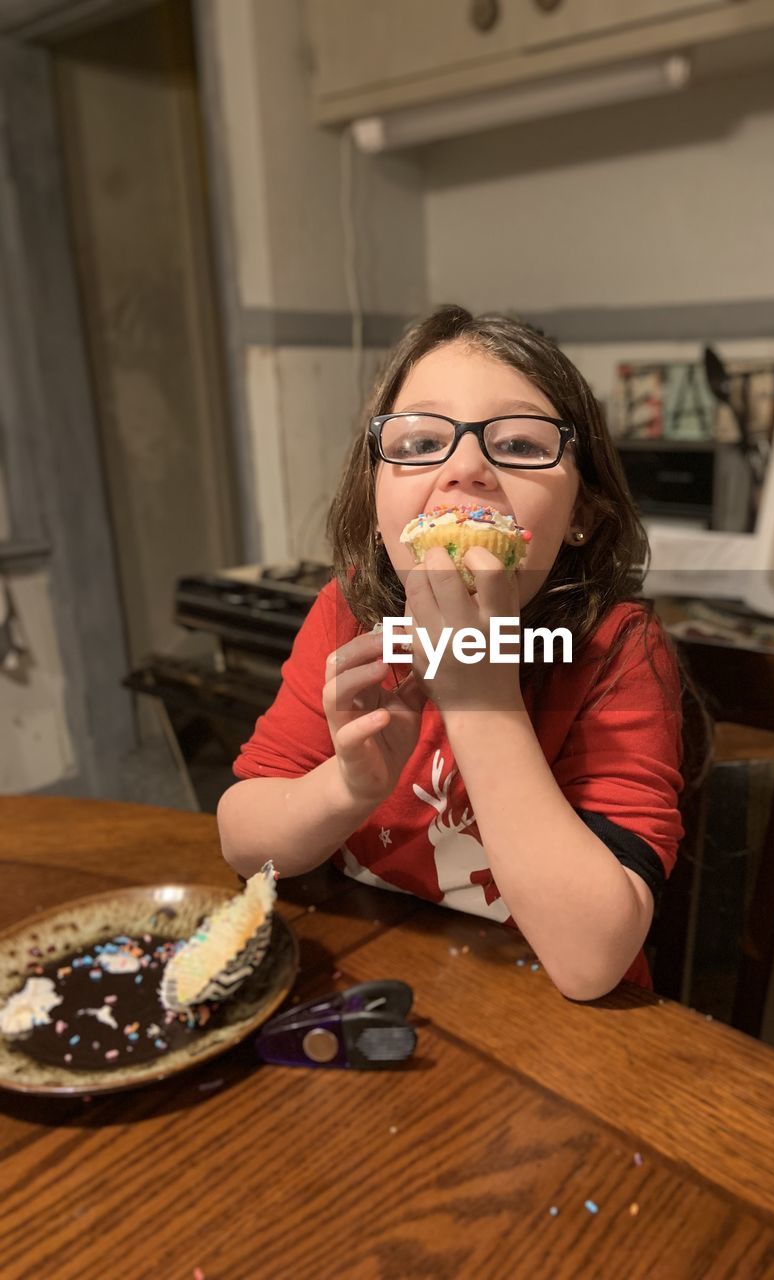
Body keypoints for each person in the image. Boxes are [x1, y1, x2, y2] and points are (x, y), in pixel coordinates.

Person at [218, 305, 684, 1001]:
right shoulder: (347, 616)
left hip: (556, 1029)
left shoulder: (617, 653)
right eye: (418, 442)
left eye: (522, 446)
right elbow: (242, 842)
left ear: (583, 515)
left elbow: (593, 962)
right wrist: (346, 788)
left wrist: (479, 696)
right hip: (373, 983)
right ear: (377, 501)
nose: (466, 468)